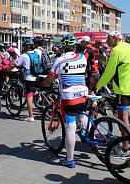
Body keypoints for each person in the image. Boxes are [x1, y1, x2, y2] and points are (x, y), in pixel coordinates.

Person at [42, 34, 88, 168]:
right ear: (74, 46)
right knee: (83, 113)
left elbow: (49, 79)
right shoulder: (82, 58)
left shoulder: (59, 60)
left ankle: (70, 159)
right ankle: (85, 132)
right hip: (83, 93)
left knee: (70, 129)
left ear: (62, 47)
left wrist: (43, 84)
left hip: (69, 97)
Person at [96, 31, 130, 130]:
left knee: (122, 118)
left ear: (115, 39)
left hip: (122, 88)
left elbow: (109, 72)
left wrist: (98, 86)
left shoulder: (116, 50)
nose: (106, 41)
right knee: (127, 111)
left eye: (109, 38)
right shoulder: (127, 46)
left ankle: (126, 144)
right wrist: (104, 58)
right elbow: (119, 63)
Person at [11, 39, 39, 122]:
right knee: (35, 90)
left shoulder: (24, 55)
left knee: (28, 97)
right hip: (36, 77)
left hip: (29, 78)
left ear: (26, 47)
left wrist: (9, 69)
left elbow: (16, 64)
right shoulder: (36, 54)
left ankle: (31, 116)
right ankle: (37, 94)